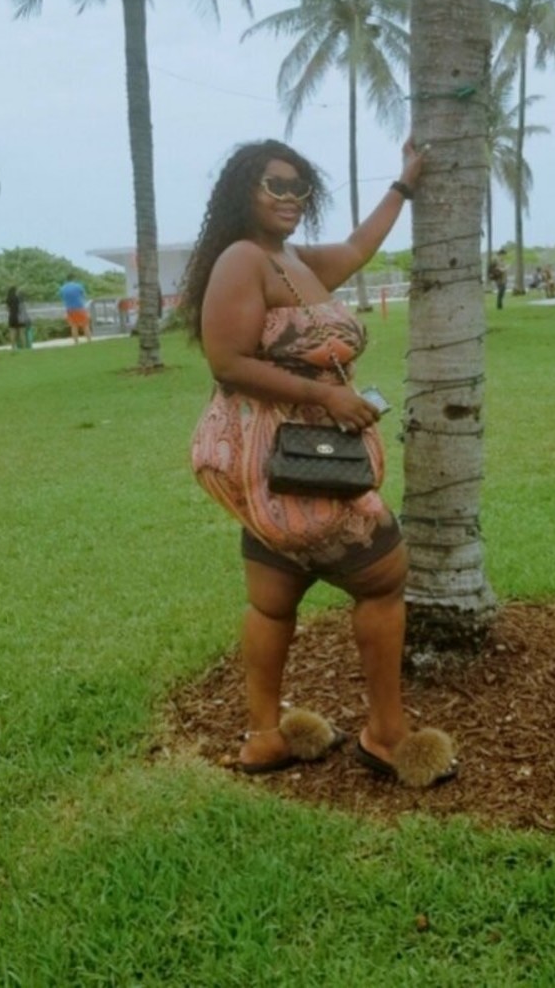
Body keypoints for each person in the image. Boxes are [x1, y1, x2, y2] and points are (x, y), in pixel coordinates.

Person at [182, 137, 457, 788]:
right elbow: (227, 362)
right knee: (384, 579)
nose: (291, 198)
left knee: (273, 600)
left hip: (290, 463)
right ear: (244, 191)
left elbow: (360, 247)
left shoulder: (293, 261)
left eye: (300, 187)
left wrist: (403, 184)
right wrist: (329, 397)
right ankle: (386, 736)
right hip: (292, 460)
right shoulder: (242, 259)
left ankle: (265, 738)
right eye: (275, 185)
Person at [59, 276, 91, 343]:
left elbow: (62, 298)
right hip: (80, 308)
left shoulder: (62, 288)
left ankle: (76, 342)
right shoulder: (78, 286)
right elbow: (84, 295)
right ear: (74, 279)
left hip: (69, 309)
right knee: (85, 325)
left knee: (73, 326)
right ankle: (89, 341)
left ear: (66, 280)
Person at [5, 286, 31, 351]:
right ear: (15, 291)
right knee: (22, 333)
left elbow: (7, 309)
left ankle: (13, 348)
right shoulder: (19, 298)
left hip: (12, 317)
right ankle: (24, 348)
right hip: (20, 317)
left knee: (12, 333)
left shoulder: (8, 298)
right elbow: (22, 308)